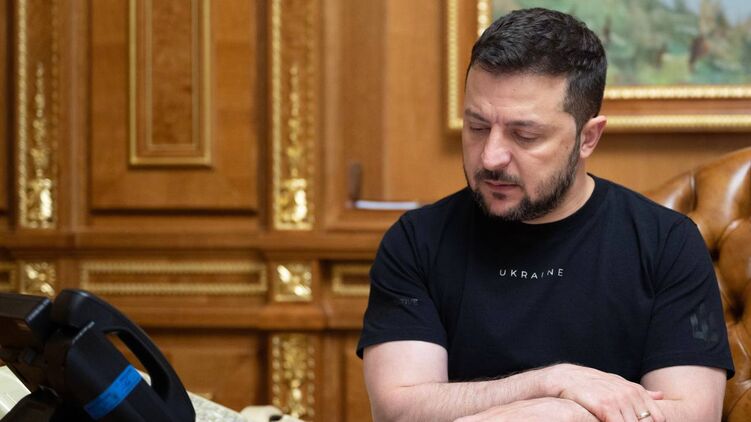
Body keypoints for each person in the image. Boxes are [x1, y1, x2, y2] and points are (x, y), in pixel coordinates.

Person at [356, 7, 733, 422]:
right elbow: (397, 409)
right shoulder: (417, 240)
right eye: (477, 127)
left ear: (588, 137)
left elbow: (693, 414)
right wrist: (549, 384)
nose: (491, 157)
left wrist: (564, 415)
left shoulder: (668, 243)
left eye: (525, 135)